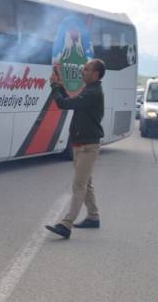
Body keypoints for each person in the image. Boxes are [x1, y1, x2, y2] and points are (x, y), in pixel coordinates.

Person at [45, 59, 106, 239]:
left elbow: (64, 104)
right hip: (81, 145)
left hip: (88, 147)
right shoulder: (89, 90)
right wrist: (61, 87)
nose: (82, 72)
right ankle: (93, 217)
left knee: (78, 185)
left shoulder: (93, 92)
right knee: (85, 183)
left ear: (96, 74)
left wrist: (55, 86)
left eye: (86, 69)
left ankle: (66, 223)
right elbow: (71, 101)